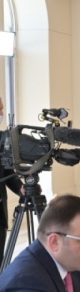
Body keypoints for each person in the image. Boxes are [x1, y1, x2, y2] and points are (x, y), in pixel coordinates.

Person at [0, 97, 24, 262]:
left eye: (2, 109)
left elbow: (7, 172)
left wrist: (21, 188)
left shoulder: (3, 139)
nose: (2, 113)